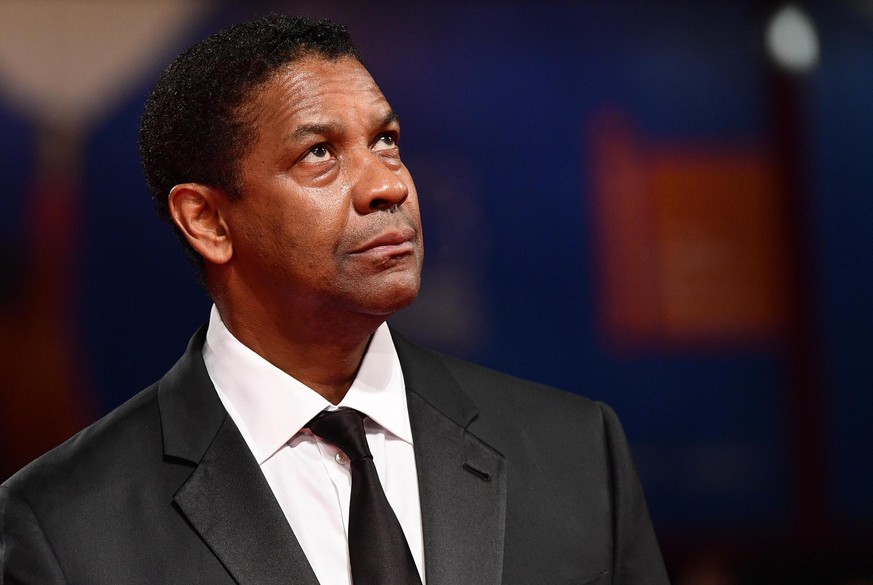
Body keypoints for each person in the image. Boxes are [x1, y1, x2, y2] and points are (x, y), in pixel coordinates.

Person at [0, 14, 669, 585]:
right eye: (319, 152)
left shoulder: (576, 454)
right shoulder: (64, 525)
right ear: (207, 220)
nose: (388, 185)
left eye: (386, 140)